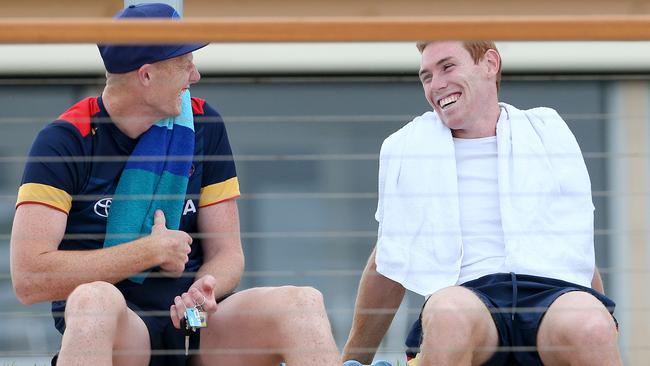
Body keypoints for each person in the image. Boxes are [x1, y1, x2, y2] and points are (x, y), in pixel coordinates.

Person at [9, 3, 340, 366]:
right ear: (146, 75)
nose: (195, 75)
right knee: (93, 301)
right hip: (123, 329)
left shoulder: (204, 123)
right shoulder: (65, 140)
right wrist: (148, 252)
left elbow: (228, 254)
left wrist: (205, 287)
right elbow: (29, 278)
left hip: (196, 322)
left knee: (302, 302)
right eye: (185, 63)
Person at [341, 41, 622, 366]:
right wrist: (353, 360)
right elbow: (389, 260)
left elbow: (575, 246)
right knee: (448, 315)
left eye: (447, 67)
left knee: (590, 323)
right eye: (426, 76)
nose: (437, 84)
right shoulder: (407, 147)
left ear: (489, 63)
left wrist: (598, 316)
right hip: (467, 294)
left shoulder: (548, 132)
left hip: (549, 295)